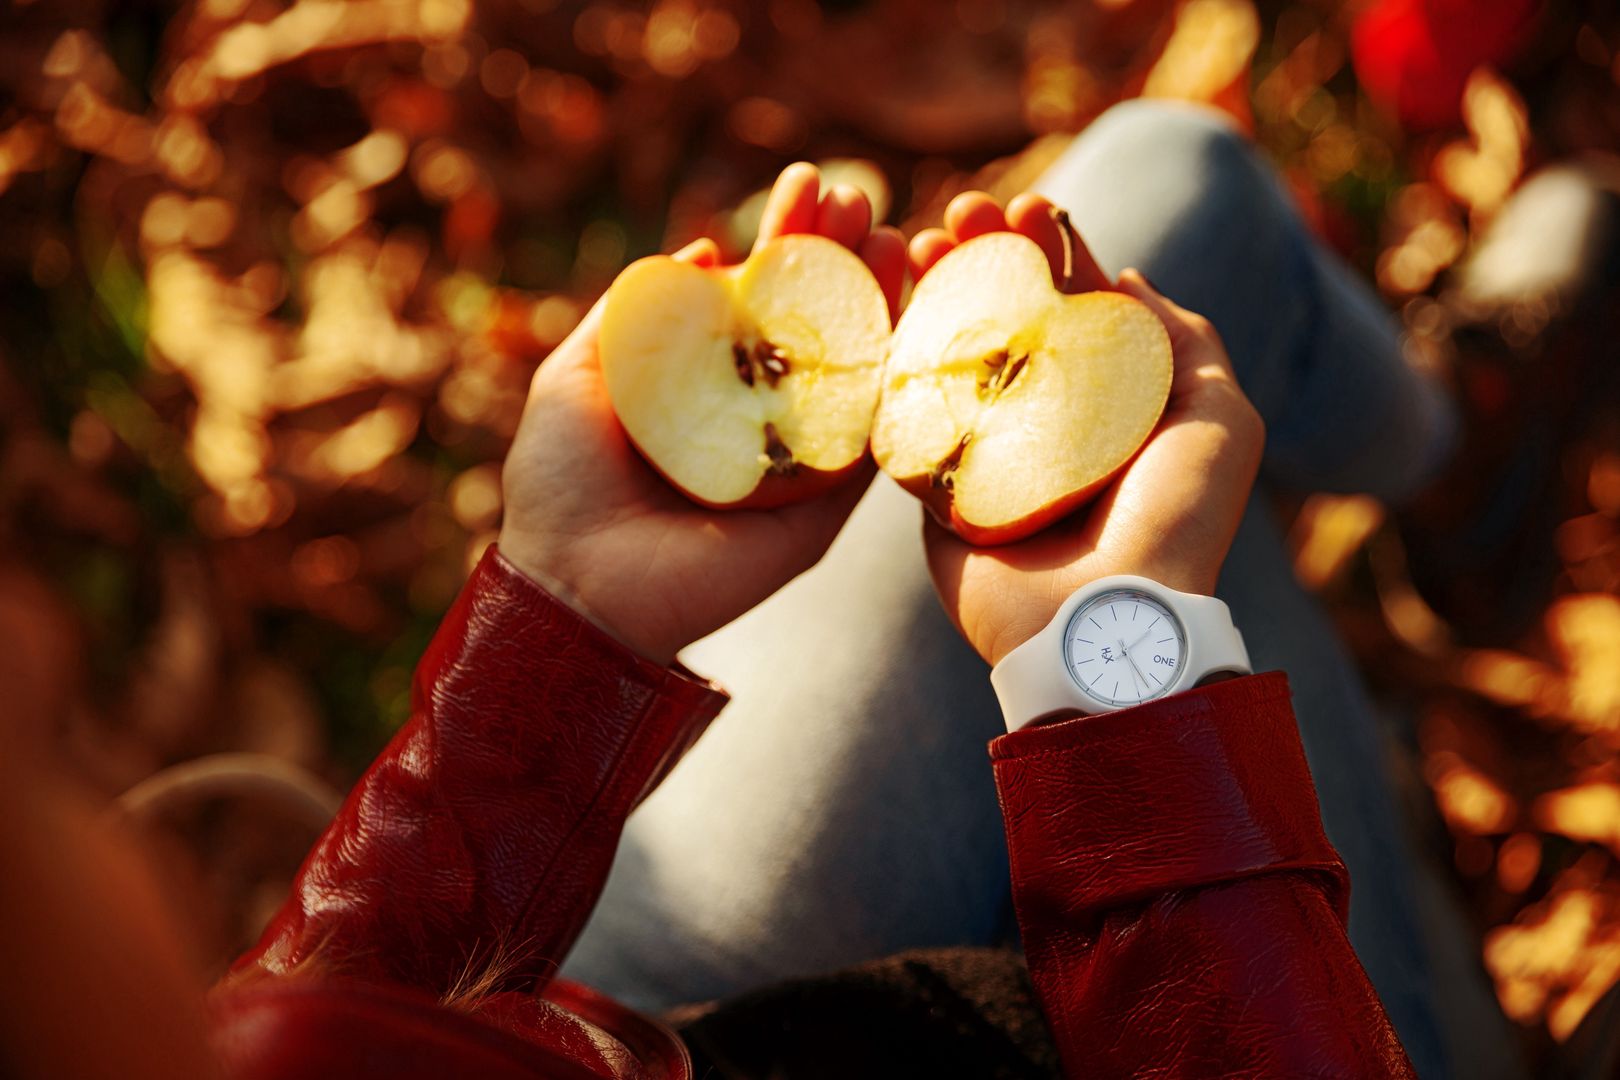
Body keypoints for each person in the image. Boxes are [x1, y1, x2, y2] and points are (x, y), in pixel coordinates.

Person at [0, 102, 1479, 1079]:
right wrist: (1118, 669)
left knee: (1172, 172)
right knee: (1196, 202)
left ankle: (1442, 470)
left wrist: (565, 619)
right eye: (51, 759)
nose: (35, 634)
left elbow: (325, 1037)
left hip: (655, 1036)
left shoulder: (248, 1054)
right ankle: (1463, 490)